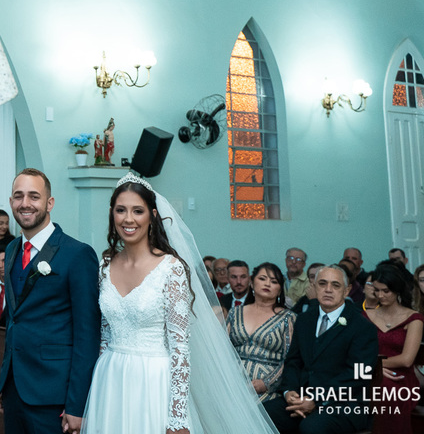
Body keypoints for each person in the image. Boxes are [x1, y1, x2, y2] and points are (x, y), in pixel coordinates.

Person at [82, 174, 280, 434]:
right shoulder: (104, 266)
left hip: (153, 380)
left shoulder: (170, 269)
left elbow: (180, 349)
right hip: (110, 378)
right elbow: (105, 335)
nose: (128, 219)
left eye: (137, 211)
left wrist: (177, 417)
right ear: (112, 214)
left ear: (152, 216)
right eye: (121, 210)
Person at [0, 169, 99, 434]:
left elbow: (87, 335)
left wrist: (78, 404)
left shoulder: (77, 254)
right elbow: (14, 322)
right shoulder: (11, 249)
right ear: (11, 202)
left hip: (55, 397)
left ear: (49, 203)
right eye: (18, 196)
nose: (25, 203)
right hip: (15, 391)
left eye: (34, 196)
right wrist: (3, 383)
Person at [263, 265, 378, 433]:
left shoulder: (361, 327)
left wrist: (316, 398)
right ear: (314, 287)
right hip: (302, 397)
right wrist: (290, 392)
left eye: (335, 285)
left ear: (347, 291)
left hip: (343, 404)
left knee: (312, 428)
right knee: (263, 414)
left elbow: (357, 375)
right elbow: (293, 361)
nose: (328, 290)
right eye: (322, 284)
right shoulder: (304, 320)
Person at [363, 261, 424, 434]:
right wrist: (371, 369)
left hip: (400, 378)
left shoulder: (413, 318)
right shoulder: (367, 315)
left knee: (385, 388)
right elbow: (355, 352)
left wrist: (377, 366)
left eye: (386, 291)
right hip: (367, 373)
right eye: (377, 290)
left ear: (396, 290)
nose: (380, 295)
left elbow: (406, 360)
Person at [227, 263, 295, 403]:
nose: (268, 284)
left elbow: (289, 359)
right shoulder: (235, 312)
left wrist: (266, 383)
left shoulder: (288, 317)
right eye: (263, 278)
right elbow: (223, 350)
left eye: (274, 281)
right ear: (252, 283)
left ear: (280, 289)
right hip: (231, 382)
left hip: (267, 390)